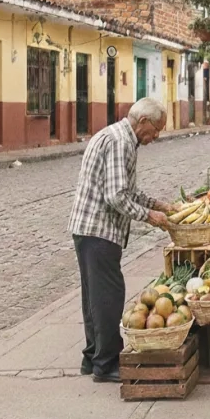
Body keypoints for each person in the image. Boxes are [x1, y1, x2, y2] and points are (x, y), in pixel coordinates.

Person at [68, 98, 175, 383]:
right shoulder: (120, 142)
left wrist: (159, 205)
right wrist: (149, 216)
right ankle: (107, 363)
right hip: (98, 230)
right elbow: (116, 196)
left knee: (93, 297)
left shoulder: (117, 136)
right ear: (143, 122)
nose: (156, 136)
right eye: (156, 129)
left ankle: (91, 357)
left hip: (88, 230)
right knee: (109, 297)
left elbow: (128, 190)